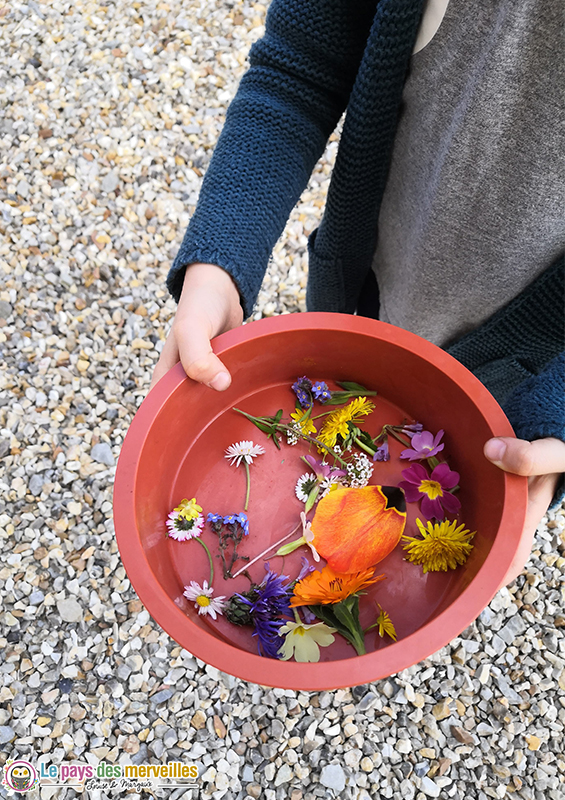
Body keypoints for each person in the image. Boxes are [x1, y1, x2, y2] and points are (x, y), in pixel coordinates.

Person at [151, 0, 565, 582]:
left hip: (530, 369)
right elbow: (298, 67)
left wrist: (559, 406)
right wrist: (221, 258)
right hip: (371, 281)